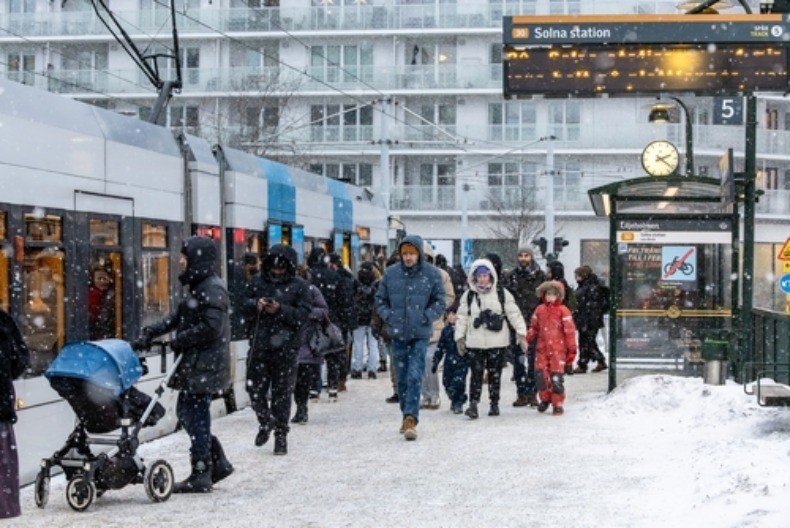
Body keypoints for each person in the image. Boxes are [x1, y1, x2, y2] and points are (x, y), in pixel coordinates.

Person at [138, 236, 232, 493]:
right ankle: (214, 462)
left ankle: (202, 471)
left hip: (205, 365)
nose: (180, 261)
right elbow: (178, 317)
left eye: (184, 257)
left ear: (197, 259)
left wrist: (180, 340)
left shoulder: (212, 289)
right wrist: (151, 332)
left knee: (195, 415)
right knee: (188, 412)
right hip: (198, 364)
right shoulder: (200, 287)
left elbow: (212, 328)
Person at [375, 235, 445, 440]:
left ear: (419, 254)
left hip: (420, 333)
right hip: (397, 333)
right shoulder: (391, 274)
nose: (408, 257)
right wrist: (389, 316)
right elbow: (380, 299)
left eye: (412, 253)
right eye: (404, 253)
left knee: (415, 374)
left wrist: (427, 316)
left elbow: (440, 300)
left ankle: (410, 418)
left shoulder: (431, 274)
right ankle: (406, 413)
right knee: (402, 377)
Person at [245, 244, 312, 454]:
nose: (277, 271)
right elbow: (242, 305)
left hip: (286, 349)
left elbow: (303, 315)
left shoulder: (299, 286)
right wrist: (255, 305)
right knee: (254, 390)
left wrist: (280, 310)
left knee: (282, 394)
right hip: (259, 346)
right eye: (274, 267)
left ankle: (281, 435)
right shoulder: (257, 282)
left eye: (281, 267)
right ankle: (265, 420)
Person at [455, 258, 527, 419]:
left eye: (485, 275)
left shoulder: (502, 293)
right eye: (479, 276)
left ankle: (494, 403)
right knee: (476, 374)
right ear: (474, 277)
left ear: (491, 276)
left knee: (495, 375)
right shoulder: (469, 295)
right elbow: (462, 317)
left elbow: (514, 313)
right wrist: (459, 336)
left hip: (497, 341)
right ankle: (473, 404)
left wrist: (521, 332)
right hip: (475, 342)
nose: (482, 279)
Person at [502, 246, 545, 407]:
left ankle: (532, 393)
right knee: (518, 361)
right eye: (521, 255)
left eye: (526, 255)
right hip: (517, 323)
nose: (523, 258)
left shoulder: (540, 276)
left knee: (534, 360)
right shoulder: (511, 276)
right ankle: (521, 393)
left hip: (535, 323)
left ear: (531, 257)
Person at [526, 281, 578, 415]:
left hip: (558, 349)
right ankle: (545, 398)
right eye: (548, 294)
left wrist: (571, 350)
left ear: (559, 296)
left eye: (553, 294)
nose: (550, 297)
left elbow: (570, 332)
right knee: (540, 376)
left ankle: (557, 403)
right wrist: (527, 339)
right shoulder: (540, 309)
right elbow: (534, 327)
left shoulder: (563, 310)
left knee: (556, 378)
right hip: (542, 348)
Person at [0, 308, 30, 519]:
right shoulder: (3, 321)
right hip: (0, 405)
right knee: (4, 465)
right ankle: (5, 507)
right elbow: (20, 362)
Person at [292, 265, 330, 425]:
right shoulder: (288, 290)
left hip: (308, 340)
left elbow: (324, 310)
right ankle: (300, 407)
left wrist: (306, 313)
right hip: (292, 340)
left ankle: (302, 407)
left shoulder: (312, 290)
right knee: (295, 379)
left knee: (303, 378)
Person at [420, 241, 456, 410]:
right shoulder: (408, 276)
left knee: (430, 360)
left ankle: (434, 394)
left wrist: (437, 307)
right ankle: (425, 395)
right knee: (418, 363)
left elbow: (450, 296)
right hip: (415, 327)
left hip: (434, 325)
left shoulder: (441, 275)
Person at [306, 247, 344, 401]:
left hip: (313, 320)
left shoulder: (309, 277)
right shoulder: (335, 276)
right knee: (332, 354)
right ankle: (333, 387)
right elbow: (342, 300)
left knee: (314, 353)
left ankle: (314, 388)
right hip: (332, 320)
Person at [431, 302, 468, 414]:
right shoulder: (446, 330)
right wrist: (436, 360)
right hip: (449, 361)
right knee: (446, 382)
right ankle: (456, 399)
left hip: (462, 360)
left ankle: (458, 403)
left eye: (454, 314)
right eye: (449, 314)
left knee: (458, 382)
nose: (451, 316)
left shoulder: (464, 330)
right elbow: (441, 347)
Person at [573, 265, 609, 373]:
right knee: (586, 342)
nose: (575, 278)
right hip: (588, 319)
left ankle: (589, 362)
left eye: (577, 275)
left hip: (589, 320)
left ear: (583, 275)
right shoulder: (587, 286)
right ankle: (587, 362)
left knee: (587, 342)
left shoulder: (590, 287)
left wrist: (585, 318)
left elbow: (590, 306)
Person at [350, 262, 380, 379]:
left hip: (359, 318)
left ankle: (357, 368)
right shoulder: (376, 283)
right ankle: (372, 369)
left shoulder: (356, 283)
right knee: (373, 344)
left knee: (358, 344)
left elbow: (352, 298)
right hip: (373, 317)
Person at [88, 266, 116, 340]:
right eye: (99, 278)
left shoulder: (113, 295)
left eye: (105, 278)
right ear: (93, 280)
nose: (102, 281)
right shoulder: (90, 295)